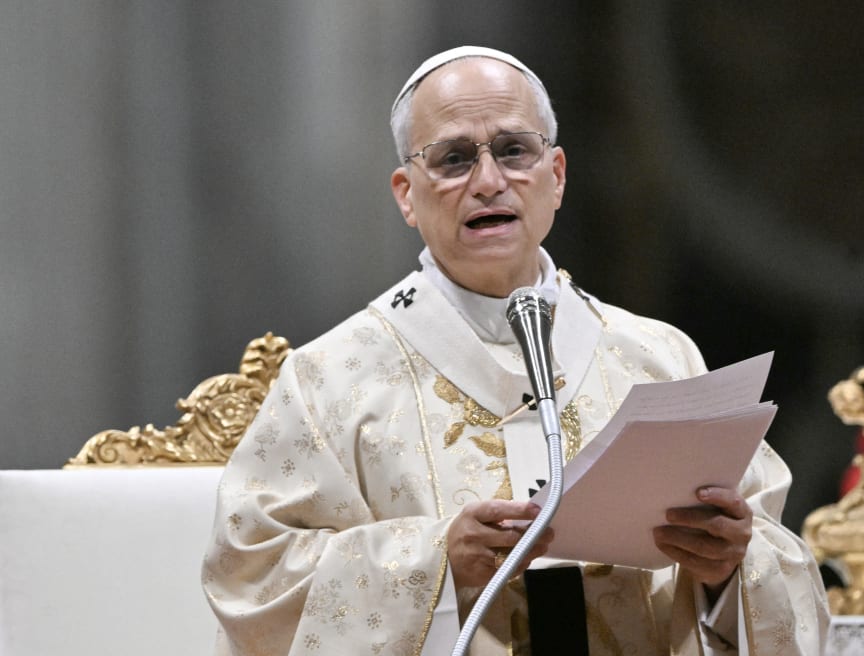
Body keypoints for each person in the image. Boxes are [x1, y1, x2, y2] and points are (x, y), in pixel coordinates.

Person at [202, 45, 830, 655]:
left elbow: (780, 565)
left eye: (513, 151)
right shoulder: (328, 380)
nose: (488, 182)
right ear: (406, 193)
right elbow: (252, 582)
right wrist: (436, 561)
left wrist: (728, 569)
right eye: (453, 159)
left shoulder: (659, 359)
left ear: (556, 176)